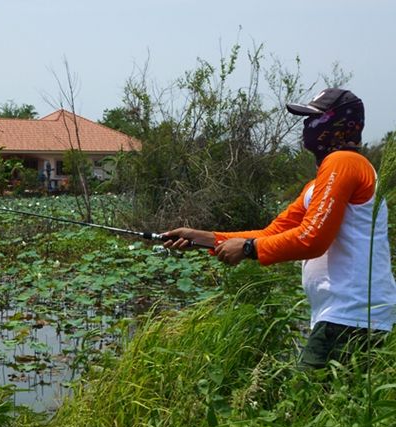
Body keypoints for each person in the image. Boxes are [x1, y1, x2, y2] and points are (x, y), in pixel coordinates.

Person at [163, 88, 396, 368]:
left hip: (351, 318)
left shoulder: (343, 162)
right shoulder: (319, 184)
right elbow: (272, 232)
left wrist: (248, 249)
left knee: (304, 407)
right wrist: (204, 238)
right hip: (343, 317)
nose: (307, 127)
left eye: (314, 119)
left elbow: (313, 239)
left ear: (340, 124)